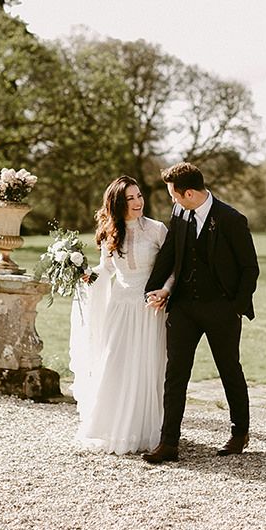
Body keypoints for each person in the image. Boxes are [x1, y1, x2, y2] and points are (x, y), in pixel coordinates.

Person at [142, 162, 259, 464]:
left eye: (174, 195)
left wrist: (234, 308)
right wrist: (153, 288)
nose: (173, 200)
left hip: (221, 308)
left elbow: (249, 269)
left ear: (190, 193)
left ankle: (239, 432)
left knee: (229, 370)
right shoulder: (181, 214)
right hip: (183, 308)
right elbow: (170, 254)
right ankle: (169, 443)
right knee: (175, 374)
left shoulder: (232, 219)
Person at [69, 176, 173, 455]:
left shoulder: (157, 229)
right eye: (130, 198)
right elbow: (107, 269)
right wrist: (86, 275)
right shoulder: (110, 232)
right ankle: (112, 427)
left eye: (139, 196)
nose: (138, 202)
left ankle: (146, 430)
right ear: (117, 203)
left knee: (148, 364)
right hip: (120, 305)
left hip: (150, 306)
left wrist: (165, 291)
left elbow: (174, 267)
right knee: (115, 362)